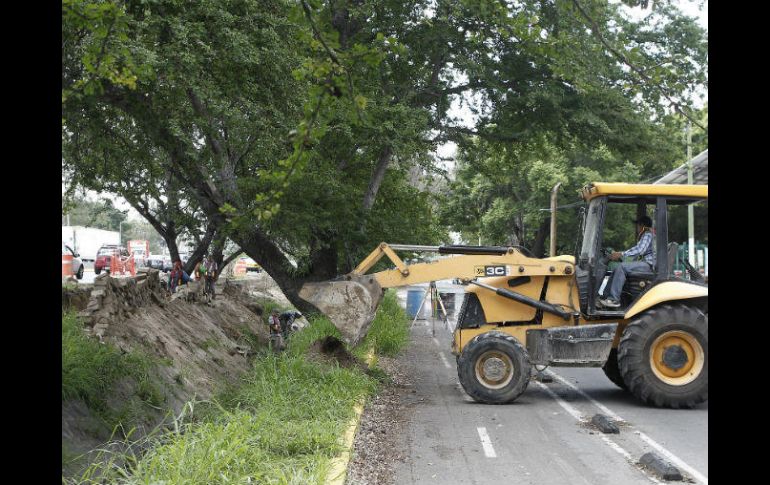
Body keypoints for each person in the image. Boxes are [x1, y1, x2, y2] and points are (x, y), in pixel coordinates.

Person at [598, 215, 655, 309]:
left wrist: (621, 254)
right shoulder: (647, 235)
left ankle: (614, 300)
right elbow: (637, 255)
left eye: (637, 225)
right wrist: (623, 258)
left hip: (648, 265)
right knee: (617, 268)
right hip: (646, 264)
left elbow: (640, 250)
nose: (637, 228)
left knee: (621, 267)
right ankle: (604, 298)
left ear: (642, 225)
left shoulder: (647, 234)